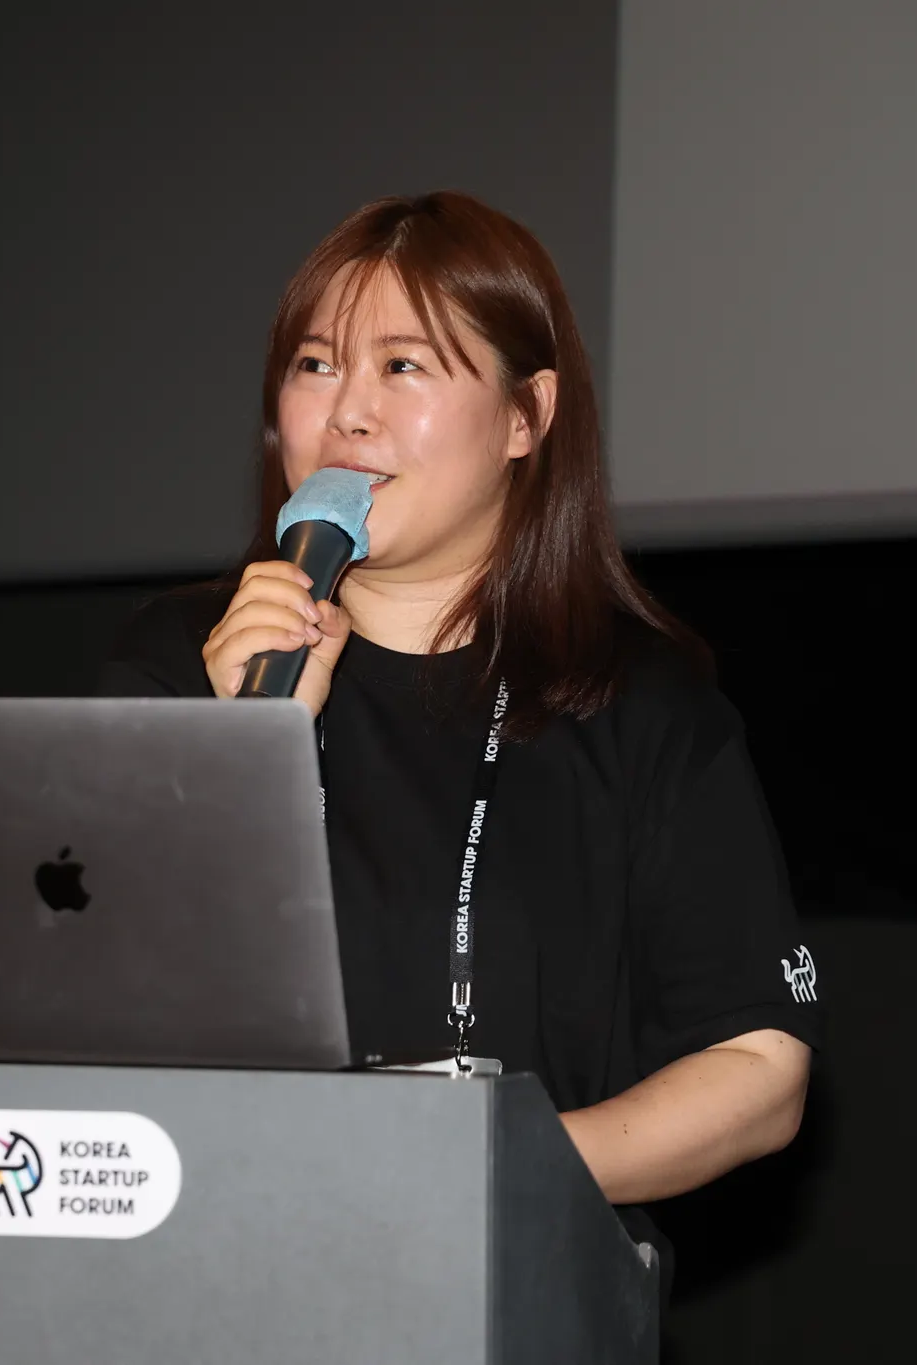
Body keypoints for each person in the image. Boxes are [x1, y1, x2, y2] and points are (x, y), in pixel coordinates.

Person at [98, 191, 823, 1291]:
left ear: (526, 415)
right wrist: (246, 753)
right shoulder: (180, 660)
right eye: (314, 365)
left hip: (511, 1283)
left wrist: (489, 1163)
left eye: (403, 366)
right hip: (209, 1270)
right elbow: (79, 998)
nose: (347, 414)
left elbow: (756, 1069)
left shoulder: (637, 703)